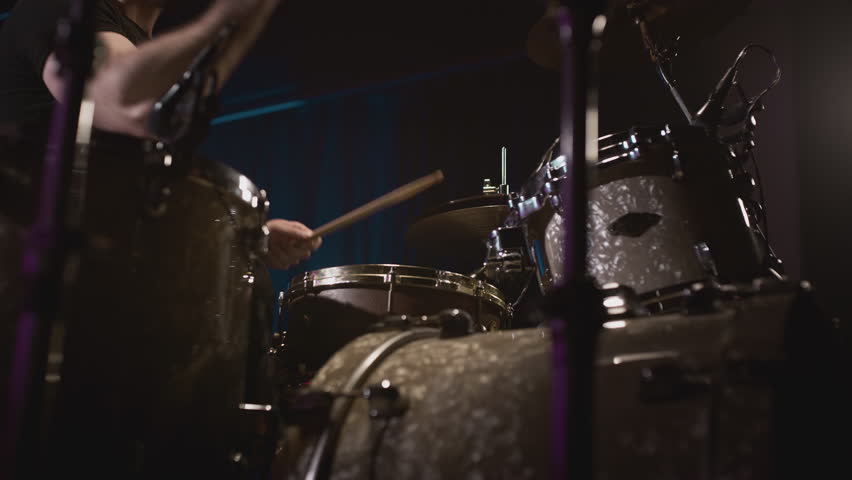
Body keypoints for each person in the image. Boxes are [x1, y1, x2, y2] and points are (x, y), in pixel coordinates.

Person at [0, 0, 320, 269]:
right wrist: (238, 12)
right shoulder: (61, 7)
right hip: (31, 298)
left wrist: (245, 239)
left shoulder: (154, 57)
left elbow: (142, 206)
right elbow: (134, 104)